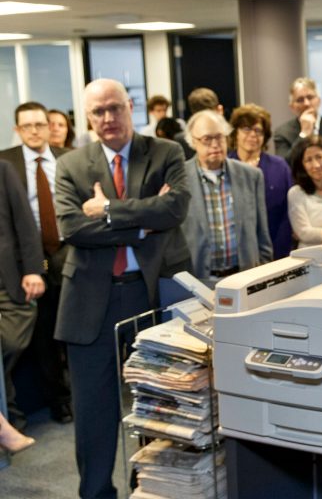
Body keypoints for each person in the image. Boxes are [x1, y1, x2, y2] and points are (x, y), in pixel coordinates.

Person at [54, 78, 190, 499]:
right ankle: (96, 493)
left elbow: (177, 207)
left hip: (149, 298)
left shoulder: (166, 152)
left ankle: (150, 488)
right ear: (88, 116)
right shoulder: (71, 165)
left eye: (115, 108)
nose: (108, 118)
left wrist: (109, 209)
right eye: (98, 112)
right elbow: (72, 227)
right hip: (89, 303)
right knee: (95, 414)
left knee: (157, 405)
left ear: (131, 107)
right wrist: (145, 223)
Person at [0, 102, 72, 425]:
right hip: (29, 261)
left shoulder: (68, 159)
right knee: (42, 334)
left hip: (69, 253)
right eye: (26, 125)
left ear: (50, 126)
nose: (34, 131)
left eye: (39, 124)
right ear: (17, 129)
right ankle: (57, 400)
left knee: (71, 329)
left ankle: (76, 394)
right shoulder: (7, 162)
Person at [181, 110, 272, 284]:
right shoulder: (180, 179)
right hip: (199, 280)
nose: (215, 144)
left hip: (245, 278)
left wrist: (263, 275)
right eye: (207, 139)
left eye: (220, 137)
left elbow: (263, 236)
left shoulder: (251, 176)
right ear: (193, 141)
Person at [0, 158, 45, 431]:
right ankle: (10, 417)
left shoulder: (3, 169)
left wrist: (33, 269)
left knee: (12, 343)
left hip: (9, 280)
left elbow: (25, 220)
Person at [229, 104, 293, 259]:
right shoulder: (226, 165)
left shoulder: (279, 166)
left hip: (277, 247)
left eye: (258, 130)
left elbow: (288, 210)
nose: (252, 135)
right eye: (246, 129)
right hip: (236, 252)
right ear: (236, 133)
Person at [273, 77, 322, 173]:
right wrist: (304, 134)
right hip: (299, 186)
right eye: (300, 100)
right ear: (292, 107)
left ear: (319, 101)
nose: (306, 103)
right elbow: (284, 166)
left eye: (310, 97)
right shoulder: (282, 133)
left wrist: (319, 168)